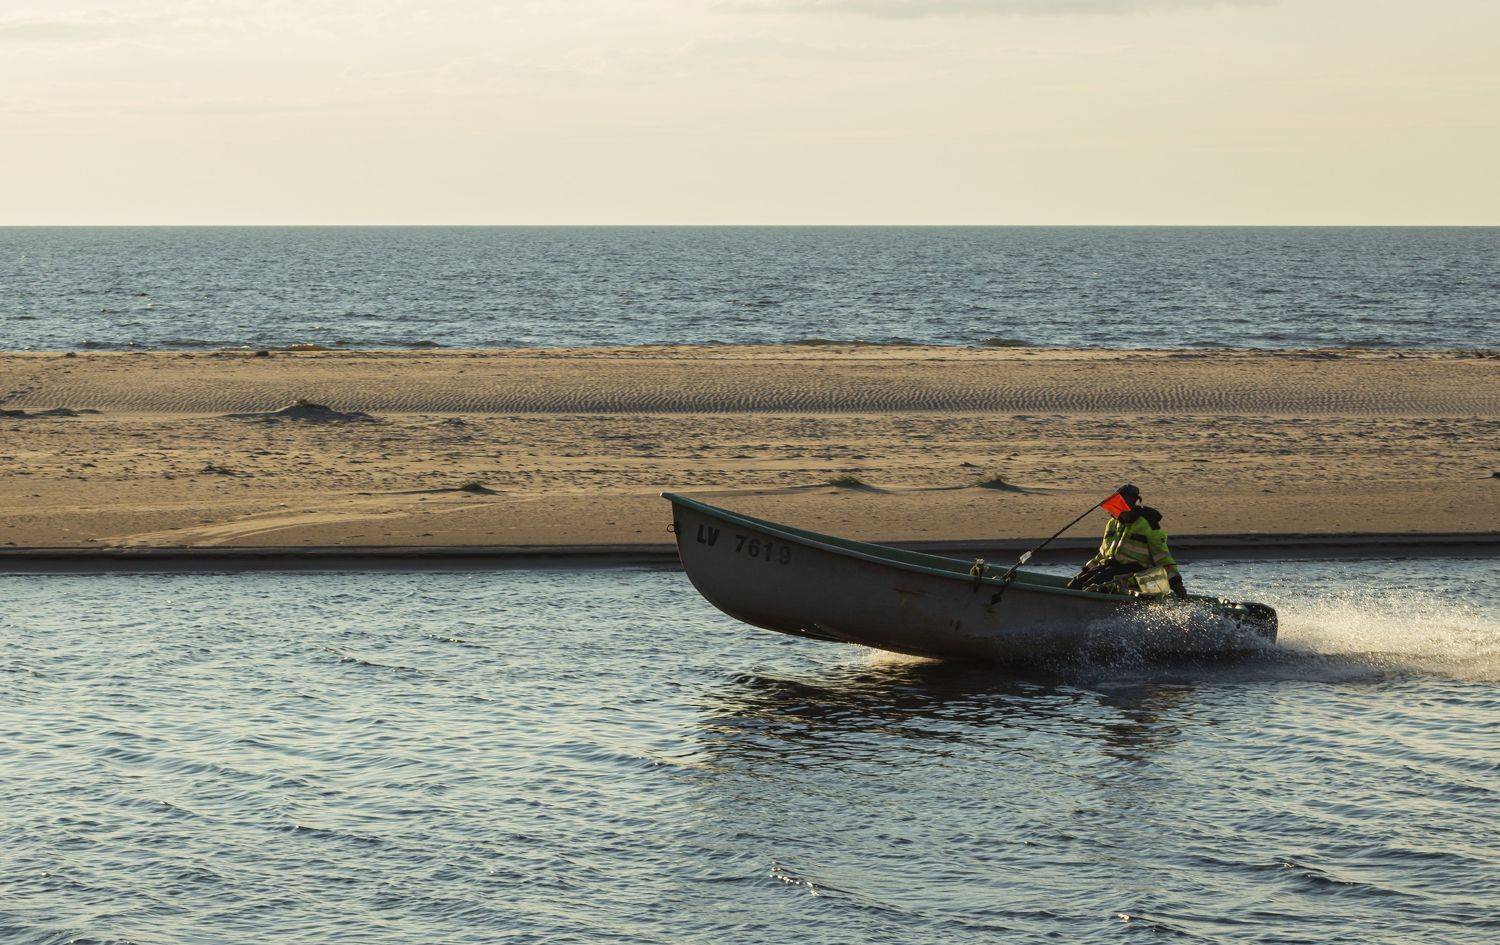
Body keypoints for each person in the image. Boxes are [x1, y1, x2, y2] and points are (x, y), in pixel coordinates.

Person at [1067, 484, 1188, 598]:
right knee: (1075, 584)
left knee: (1093, 586)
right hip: (1109, 567)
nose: (1121, 507)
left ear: (1133, 503)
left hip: (1135, 575)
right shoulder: (1112, 523)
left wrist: (1177, 584)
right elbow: (1102, 554)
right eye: (1119, 502)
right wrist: (1085, 571)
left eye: (1126, 502)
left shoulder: (1149, 526)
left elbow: (1163, 559)